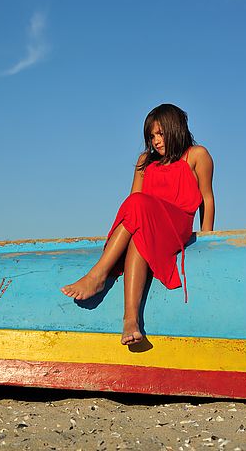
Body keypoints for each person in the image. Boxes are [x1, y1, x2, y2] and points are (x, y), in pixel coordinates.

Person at [61, 103, 215, 346]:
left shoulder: (197, 155)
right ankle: (130, 321)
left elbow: (207, 197)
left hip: (177, 225)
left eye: (161, 133)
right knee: (138, 227)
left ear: (176, 129)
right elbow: (133, 204)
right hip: (148, 223)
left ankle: (98, 275)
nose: (156, 141)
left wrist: (208, 238)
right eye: (152, 136)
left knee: (138, 206)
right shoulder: (145, 161)